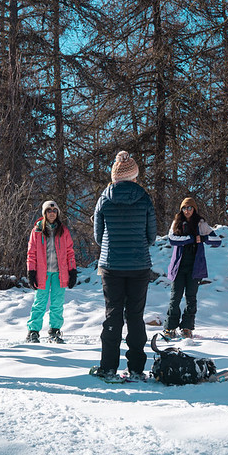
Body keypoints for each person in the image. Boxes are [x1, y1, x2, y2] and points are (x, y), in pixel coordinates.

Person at [92, 151, 157, 382]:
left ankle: (108, 367)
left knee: (113, 315)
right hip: (139, 265)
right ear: (134, 176)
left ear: (114, 176)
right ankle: (137, 368)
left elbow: (99, 237)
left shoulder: (104, 198)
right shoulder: (145, 198)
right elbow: (151, 237)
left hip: (111, 265)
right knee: (135, 316)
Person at [162, 197, 221, 339]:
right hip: (179, 267)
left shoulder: (201, 223)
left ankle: (187, 327)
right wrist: (192, 238)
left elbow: (217, 240)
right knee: (175, 297)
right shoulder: (177, 222)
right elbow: (172, 239)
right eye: (184, 208)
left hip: (195, 267)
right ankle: (170, 327)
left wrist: (204, 238)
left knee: (191, 298)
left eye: (189, 208)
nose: (187, 210)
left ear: (194, 209)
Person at [26, 200, 78, 344]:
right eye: (49, 211)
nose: (52, 213)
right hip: (42, 273)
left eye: (54, 211)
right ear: (44, 213)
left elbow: (70, 252)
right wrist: (31, 272)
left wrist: (72, 270)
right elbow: (31, 254)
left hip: (59, 273)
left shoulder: (63, 230)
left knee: (57, 303)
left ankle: (55, 331)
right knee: (40, 302)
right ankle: (33, 332)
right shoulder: (36, 231)